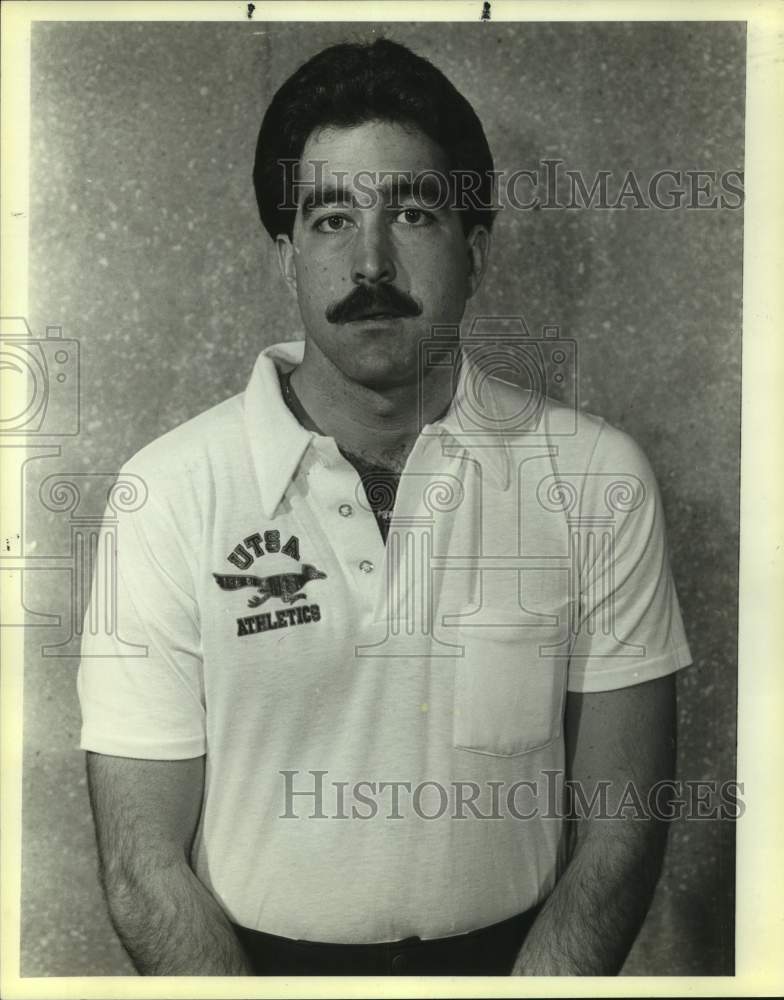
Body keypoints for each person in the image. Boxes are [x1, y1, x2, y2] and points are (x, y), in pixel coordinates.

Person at [78, 38, 692, 976]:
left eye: (412, 212)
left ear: (474, 250)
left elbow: (622, 830)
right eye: (330, 218)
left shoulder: (597, 478)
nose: (370, 261)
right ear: (286, 258)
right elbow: (141, 864)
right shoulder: (164, 494)